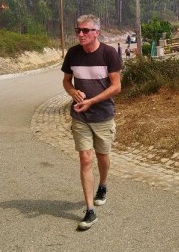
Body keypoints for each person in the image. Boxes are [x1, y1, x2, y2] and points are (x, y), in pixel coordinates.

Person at [61, 15, 122, 230]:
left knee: (103, 156)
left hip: (103, 115)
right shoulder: (72, 53)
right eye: (78, 30)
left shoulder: (109, 53)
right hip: (80, 116)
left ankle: (103, 185)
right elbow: (66, 81)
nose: (80, 34)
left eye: (86, 30)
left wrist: (92, 101)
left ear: (97, 32)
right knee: (85, 159)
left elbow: (116, 87)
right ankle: (89, 210)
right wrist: (73, 92)